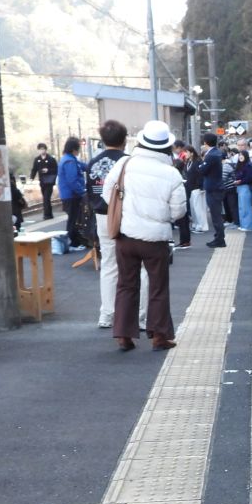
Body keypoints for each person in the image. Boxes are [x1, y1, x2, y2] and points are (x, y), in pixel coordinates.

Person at [102, 120, 187, 351]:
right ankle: (159, 336)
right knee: (158, 287)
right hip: (155, 240)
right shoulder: (171, 173)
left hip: (126, 236)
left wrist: (127, 212)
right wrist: (160, 216)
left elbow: (107, 192)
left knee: (126, 284)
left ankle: (123, 335)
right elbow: (179, 211)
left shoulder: (125, 163)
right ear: (166, 146)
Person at [87, 119, 147, 330]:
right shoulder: (129, 162)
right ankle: (139, 316)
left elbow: (89, 193)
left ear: (103, 140)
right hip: (126, 216)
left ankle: (107, 314)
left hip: (102, 217)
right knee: (139, 265)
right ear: (124, 140)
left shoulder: (93, 163)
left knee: (109, 265)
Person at [58, 136, 89, 248]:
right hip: (71, 195)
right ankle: (73, 243)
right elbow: (72, 181)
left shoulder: (69, 159)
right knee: (73, 220)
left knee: (74, 219)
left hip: (69, 195)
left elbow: (84, 166)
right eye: (78, 148)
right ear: (73, 149)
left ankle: (75, 242)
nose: (79, 150)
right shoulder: (69, 161)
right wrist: (82, 192)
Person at [200, 132, 227, 247]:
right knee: (217, 215)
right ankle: (219, 237)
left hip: (213, 188)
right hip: (217, 187)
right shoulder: (217, 152)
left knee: (216, 216)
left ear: (205, 142)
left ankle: (220, 239)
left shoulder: (211, 155)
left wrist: (201, 165)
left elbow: (202, 170)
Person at [171, 141, 192, 248]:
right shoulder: (181, 174)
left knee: (182, 220)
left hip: (179, 199)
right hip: (183, 197)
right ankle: (185, 241)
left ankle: (184, 241)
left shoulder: (176, 176)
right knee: (184, 219)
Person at [184, 140, 209, 233]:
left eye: (186, 152)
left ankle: (202, 226)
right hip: (190, 187)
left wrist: (201, 186)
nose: (185, 154)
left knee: (199, 208)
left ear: (191, 153)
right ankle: (195, 224)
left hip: (197, 187)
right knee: (193, 207)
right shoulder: (188, 162)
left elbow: (201, 175)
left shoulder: (197, 161)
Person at [30, 143, 58, 219]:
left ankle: (46, 215)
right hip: (42, 181)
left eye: (43, 149)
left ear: (45, 149)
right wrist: (32, 177)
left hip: (49, 181)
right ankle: (50, 214)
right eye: (40, 149)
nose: (42, 151)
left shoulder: (51, 159)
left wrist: (48, 170)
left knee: (46, 198)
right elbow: (34, 169)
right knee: (46, 198)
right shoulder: (37, 159)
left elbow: (56, 169)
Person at [233, 143, 252, 231]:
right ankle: (243, 225)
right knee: (241, 207)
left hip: (245, 187)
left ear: (246, 156)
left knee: (246, 207)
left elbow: (249, 178)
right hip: (240, 187)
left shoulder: (248, 165)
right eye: (239, 155)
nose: (240, 157)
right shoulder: (240, 165)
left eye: (242, 155)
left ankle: (248, 226)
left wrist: (240, 181)